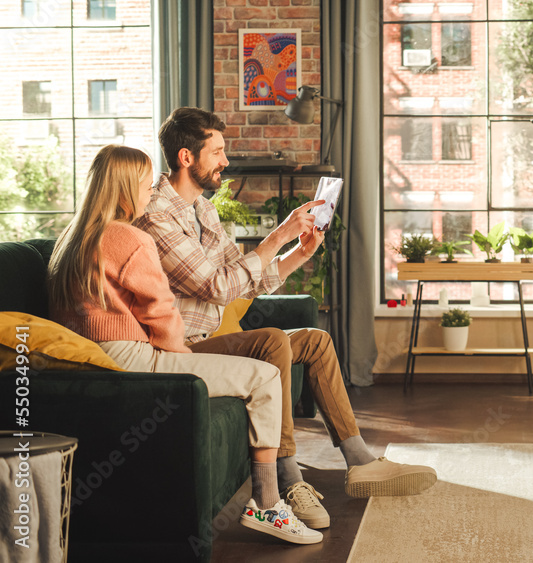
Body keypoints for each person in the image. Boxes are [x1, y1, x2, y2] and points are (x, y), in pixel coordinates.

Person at [134, 107, 436, 528]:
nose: (225, 160)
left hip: (211, 334)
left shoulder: (203, 210)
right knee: (273, 339)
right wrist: (278, 234)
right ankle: (288, 477)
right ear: (187, 157)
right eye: (217, 151)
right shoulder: (155, 215)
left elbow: (243, 277)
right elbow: (216, 287)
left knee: (314, 339)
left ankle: (359, 460)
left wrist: (298, 253)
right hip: (185, 347)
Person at [47, 144, 322, 545]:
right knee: (264, 378)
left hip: (91, 360)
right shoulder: (128, 237)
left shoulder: (69, 241)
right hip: (133, 358)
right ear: (124, 190)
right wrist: (182, 360)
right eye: (144, 185)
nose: (149, 193)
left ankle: (270, 499)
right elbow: (160, 312)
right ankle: (267, 503)